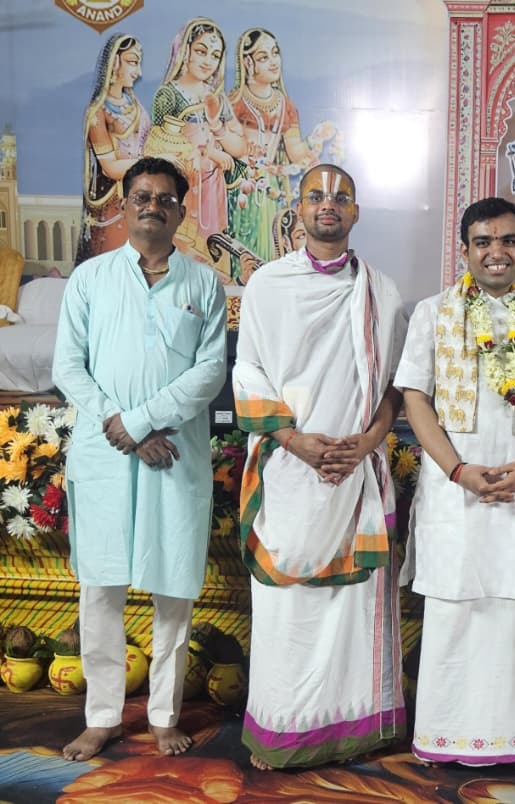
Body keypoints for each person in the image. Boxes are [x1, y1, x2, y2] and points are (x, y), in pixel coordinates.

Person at [396, 197, 515, 769]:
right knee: (457, 609)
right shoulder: (433, 313)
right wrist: (458, 470)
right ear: (465, 250)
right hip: (455, 489)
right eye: (483, 242)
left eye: (507, 241)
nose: (496, 252)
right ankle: (446, 734)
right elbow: (415, 399)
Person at [232, 163, 407, 770]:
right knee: (287, 614)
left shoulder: (382, 293)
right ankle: (283, 731)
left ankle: (357, 727)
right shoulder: (267, 285)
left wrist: (365, 444)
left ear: (355, 212)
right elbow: (248, 371)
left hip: (355, 473)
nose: (328, 204)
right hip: (290, 471)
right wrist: (294, 440)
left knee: (354, 612)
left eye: (340, 197)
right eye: (316, 195)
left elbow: (395, 387)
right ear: (299, 209)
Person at [54, 156, 228, 761]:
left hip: (172, 454)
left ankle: (163, 715)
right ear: (124, 206)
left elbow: (210, 371)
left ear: (181, 212)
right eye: (142, 197)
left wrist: (141, 422)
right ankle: (101, 717)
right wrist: (122, 425)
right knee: (101, 587)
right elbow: (68, 366)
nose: (153, 206)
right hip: (105, 456)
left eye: (165, 199)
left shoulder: (203, 284)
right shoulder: (91, 279)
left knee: (172, 587)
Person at [144, 17, 246, 270]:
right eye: (201, 51)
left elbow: (238, 148)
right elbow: (157, 146)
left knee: (213, 253)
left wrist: (216, 125)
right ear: (184, 50)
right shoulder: (168, 95)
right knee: (182, 254)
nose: (208, 61)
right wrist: (208, 152)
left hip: (212, 187)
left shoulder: (217, 97)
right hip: (183, 186)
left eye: (215, 55)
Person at [227, 28, 316, 282]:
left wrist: (316, 149)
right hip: (241, 189)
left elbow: (295, 151)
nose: (273, 61)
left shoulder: (286, 105)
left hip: (273, 190)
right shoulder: (233, 102)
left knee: (272, 245)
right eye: (263, 57)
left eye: (275, 53)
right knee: (244, 249)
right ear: (248, 62)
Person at [78, 34, 151, 264]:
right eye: (132, 62)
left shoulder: (134, 105)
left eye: (138, 63)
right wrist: (151, 162)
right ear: (114, 62)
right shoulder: (97, 112)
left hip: (141, 195)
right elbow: (109, 167)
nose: (138, 72)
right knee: (115, 266)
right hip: (112, 202)